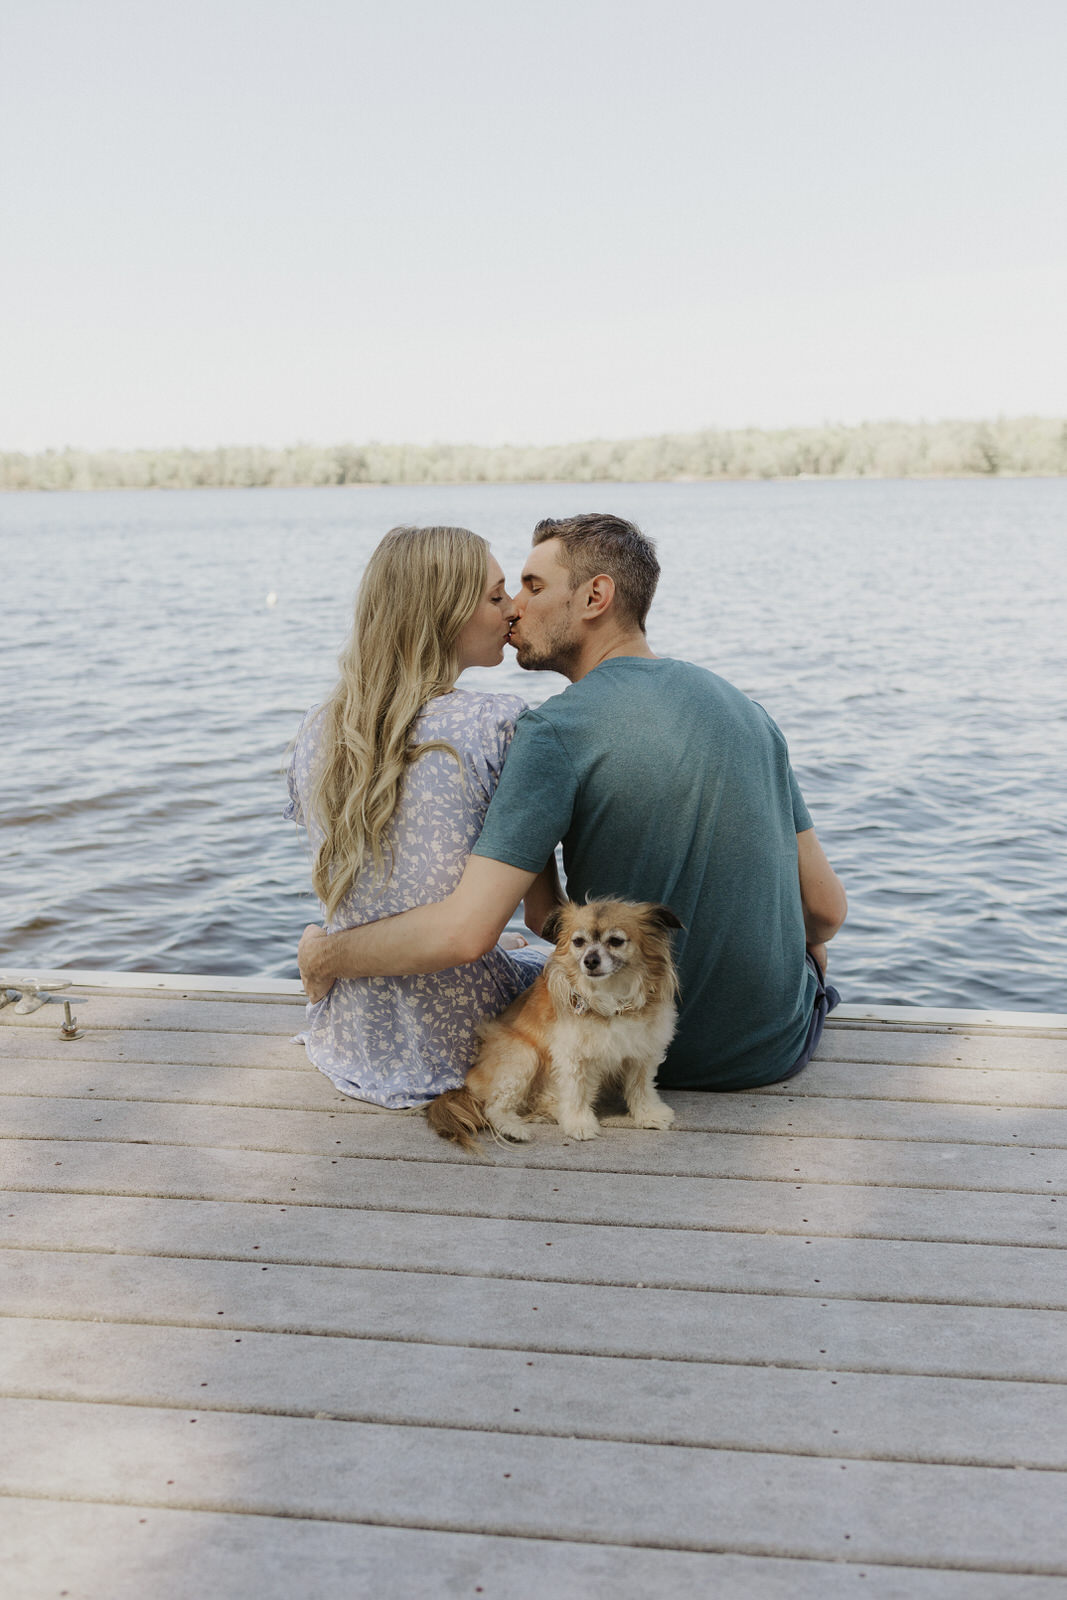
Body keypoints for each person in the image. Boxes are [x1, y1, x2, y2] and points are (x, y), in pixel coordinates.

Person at [299, 513, 847, 1092]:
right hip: (772, 1054)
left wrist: (324, 958)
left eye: (533, 587)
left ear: (595, 597)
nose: (515, 606)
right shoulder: (750, 715)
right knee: (809, 950)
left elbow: (500, 926)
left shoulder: (554, 731)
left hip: (622, 1055)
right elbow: (827, 914)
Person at [285, 524, 553, 1108]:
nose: (513, 610)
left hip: (354, 1039)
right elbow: (539, 913)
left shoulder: (319, 730)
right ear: (443, 612)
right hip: (466, 1046)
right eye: (495, 596)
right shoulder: (499, 725)